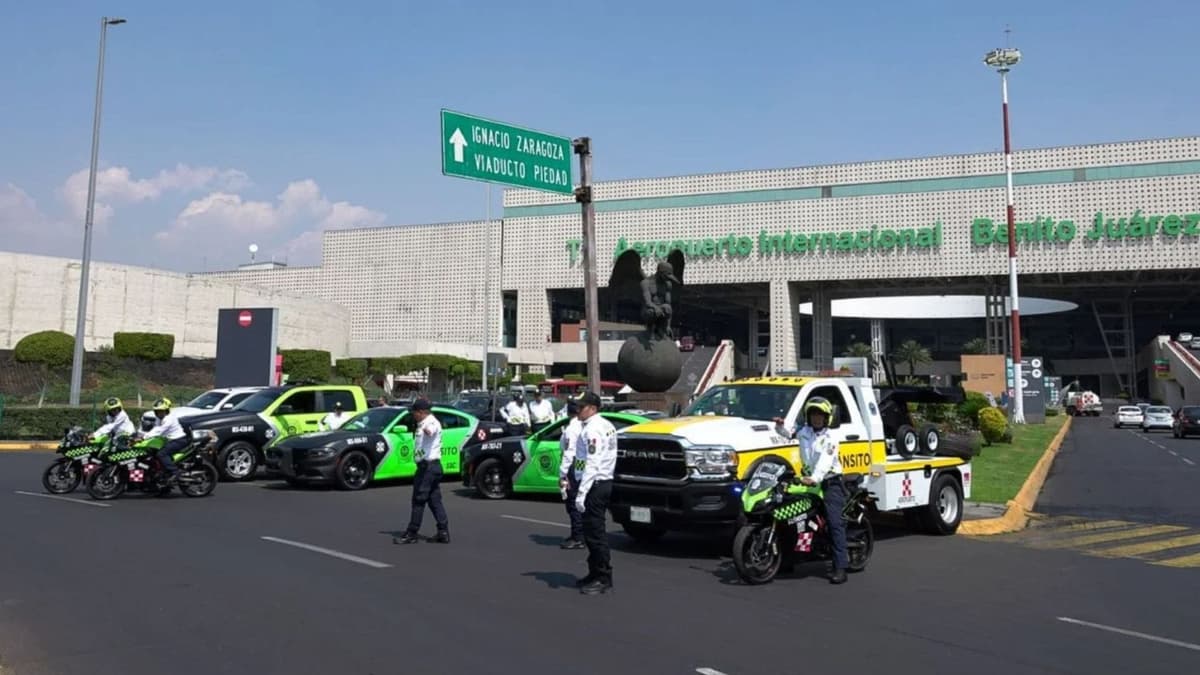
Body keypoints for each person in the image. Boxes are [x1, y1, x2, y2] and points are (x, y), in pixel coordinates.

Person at [773, 396, 848, 585]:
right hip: (807, 482)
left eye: (820, 415)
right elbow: (787, 433)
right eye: (813, 414)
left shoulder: (831, 438)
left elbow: (825, 462)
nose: (816, 418)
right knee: (788, 516)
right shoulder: (804, 431)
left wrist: (814, 478)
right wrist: (779, 426)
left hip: (829, 482)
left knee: (834, 523)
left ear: (826, 418)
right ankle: (787, 561)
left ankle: (840, 567)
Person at [573, 392, 618, 594]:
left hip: (595, 484)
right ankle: (594, 572)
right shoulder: (605, 425)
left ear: (592, 408)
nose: (577, 411)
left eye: (580, 407)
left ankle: (603, 577)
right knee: (591, 532)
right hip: (601, 482)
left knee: (595, 533)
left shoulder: (592, 429)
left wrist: (582, 492)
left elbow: (592, 462)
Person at [394, 399, 450, 544]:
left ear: (421, 412)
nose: (413, 415)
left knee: (418, 500)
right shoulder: (422, 423)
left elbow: (431, 432)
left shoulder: (431, 422)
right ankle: (443, 531)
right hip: (429, 467)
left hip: (428, 468)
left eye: (414, 412)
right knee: (434, 500)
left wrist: (426, 429)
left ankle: (412, 533)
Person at [557, 399, 585, 550]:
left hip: (572, 466)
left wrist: (562, 474)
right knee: (579, 501)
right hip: (581, 466)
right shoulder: (582, 426)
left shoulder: (571, 429)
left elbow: (568, 452)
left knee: (572, 502)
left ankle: (577, 537)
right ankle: (580, 534)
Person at [143, 398, 188, 484]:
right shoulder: (159, 419)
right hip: (169, 440)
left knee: (161, 454)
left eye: (161, 411)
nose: (159, 413)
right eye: (157, 411)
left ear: (166, 410)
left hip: (178, 440)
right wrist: (142, 435)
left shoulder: (169, 419)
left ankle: (175, 472)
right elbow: (155, 429)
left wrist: (144, 437)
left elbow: (159, 430)